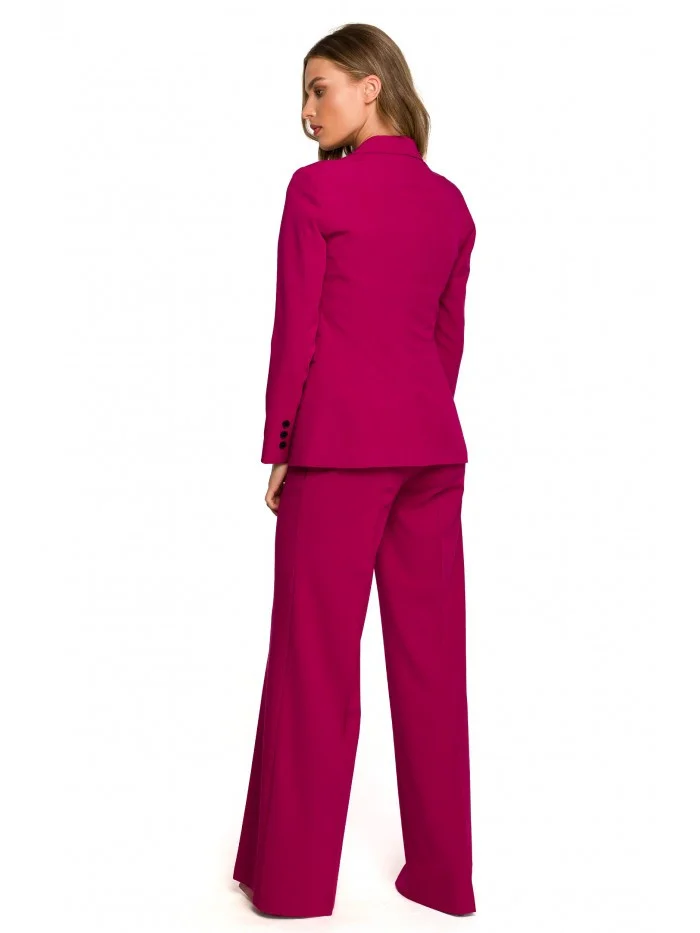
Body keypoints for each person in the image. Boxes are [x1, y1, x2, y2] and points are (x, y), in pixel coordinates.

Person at [232, 22, 477, 920]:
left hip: (337, 452)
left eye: (320, 87)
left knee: (314, 665)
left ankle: (294, 887)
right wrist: (412, 418)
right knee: (432, 667)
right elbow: (446, 340)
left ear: (371, 87)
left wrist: (282, 446)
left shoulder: (317, 190)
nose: (308, 111)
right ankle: (444, 878)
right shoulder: (450, 204)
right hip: (431, 450)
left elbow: (294, 326)